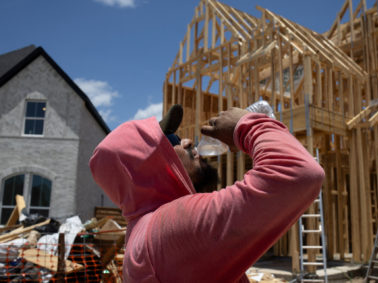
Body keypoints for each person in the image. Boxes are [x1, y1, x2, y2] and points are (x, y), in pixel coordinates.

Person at [89, 104, 325, 283]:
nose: (188, 141)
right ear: (143, 168)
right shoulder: (168, 228)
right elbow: (300, 173)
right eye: (172, 140)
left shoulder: (146, 231)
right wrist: (247, 125)